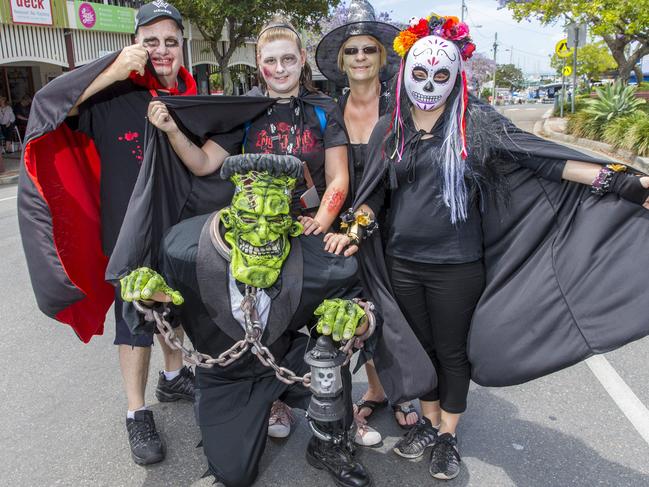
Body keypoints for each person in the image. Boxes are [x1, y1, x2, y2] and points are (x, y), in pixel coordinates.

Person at [325, 13, 649, 481]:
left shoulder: (475, 123)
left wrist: (623, 184)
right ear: (405, 73)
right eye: (420, 73)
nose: (430, 82)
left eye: (441, 74)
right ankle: (431, 424)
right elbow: (374, 193)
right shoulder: (389, 129)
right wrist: (356, 226)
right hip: (402, 261)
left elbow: (543, 160)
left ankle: (448, 437)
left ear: (455, 75)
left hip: (457, 264)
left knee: (452, 352)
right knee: (423, 349)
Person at [146, 16, 350, 439]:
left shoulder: (324, 109)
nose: (280, 68)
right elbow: (203, 163)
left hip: (307, 231)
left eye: (288, 59)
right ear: (259, 63)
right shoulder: (244, 110)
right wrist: (170, 131)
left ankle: (329, 410)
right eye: (271, 60)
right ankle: (274, 400)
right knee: (267, 320)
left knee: (326, 318)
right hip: (258, 239)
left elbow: (339, 177)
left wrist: (322, 222)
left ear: (301, 60)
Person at [120, 153, 374, 487]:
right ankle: (251, 417)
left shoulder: (317, 259)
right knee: (234, 475)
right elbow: (167, 315)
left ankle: (328, 443)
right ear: (232, 213)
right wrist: (153, 299)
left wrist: (356, 319)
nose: (263, 234)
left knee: (329, 358)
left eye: (275, 219)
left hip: (281, 358)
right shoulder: (185, 249)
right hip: (225, 376)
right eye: (251, 219)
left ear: (290, 219)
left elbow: (359, 311)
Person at [18, 1, 199, 466]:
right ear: (136, 44)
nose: (161, 50)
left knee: (174, 308)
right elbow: (51, 107)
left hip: (179, 231)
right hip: (127, 235)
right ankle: (136, 412)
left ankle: (174, 377)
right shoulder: (110, 96)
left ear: (183, 47)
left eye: (170, 42)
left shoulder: (192, 96)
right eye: (151, 41)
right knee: (135, 321)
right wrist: (113, 70)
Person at [316, 0, 418, 439]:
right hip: (355, 225)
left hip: (403, 221)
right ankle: (377, 390)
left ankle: (407, 392)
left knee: (403, 312)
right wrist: (323, 223)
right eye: (353, 50)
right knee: (366, 310)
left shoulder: (402, 106)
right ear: (342, 60)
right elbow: (338, 176)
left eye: (368, 50)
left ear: (381, 58)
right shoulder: (334, 109)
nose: (360, 57)